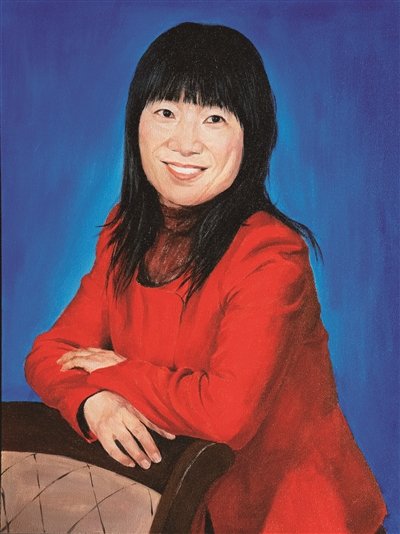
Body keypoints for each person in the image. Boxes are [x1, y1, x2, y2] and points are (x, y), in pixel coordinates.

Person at [25, 22, 386, 534]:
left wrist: (116, 371)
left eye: (214, 118)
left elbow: (224, 416)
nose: (185, 143)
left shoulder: (271, 253)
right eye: (166, 113)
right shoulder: (125, 231)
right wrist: (91, 402)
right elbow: (48, 355)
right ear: (136, 123)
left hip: (289, 517)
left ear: (251, 137)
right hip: (181, 507)